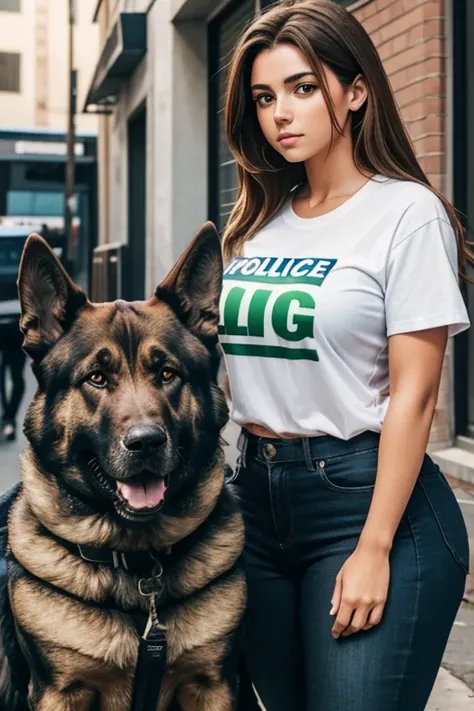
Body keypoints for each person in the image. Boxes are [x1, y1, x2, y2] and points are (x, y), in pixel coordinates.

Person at [218, 1, 471, 709]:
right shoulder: (255, 224)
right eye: (266, 98)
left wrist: (375, 546)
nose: (281, 114)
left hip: (364, 499)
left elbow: (415, 398)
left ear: (356, 91)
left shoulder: (406, 215)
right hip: (256, 507)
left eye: (303, 87)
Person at [0, 319, 26, 442]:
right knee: (13, 378)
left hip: (17, 325)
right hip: (17, 323)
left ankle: (8, 418)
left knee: (15, 378)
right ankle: (8, 419)